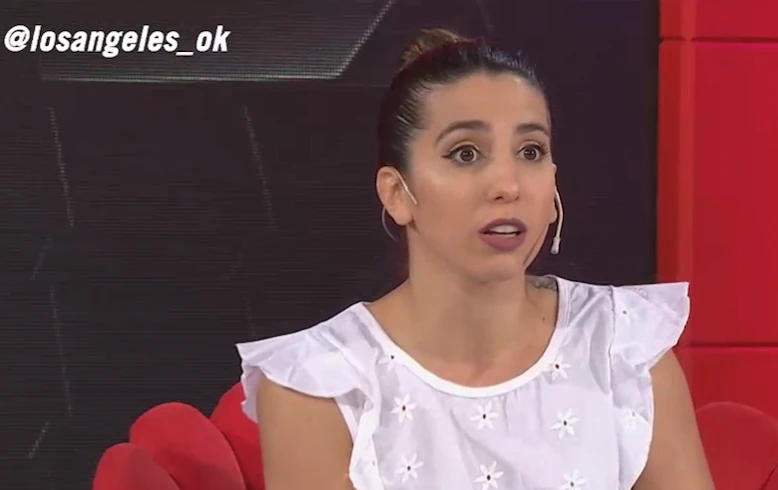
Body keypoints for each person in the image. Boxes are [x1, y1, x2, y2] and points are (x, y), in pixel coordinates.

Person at [236, 28, 713, 490]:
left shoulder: (623, 347)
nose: (508, 185)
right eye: (465, 154)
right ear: (397, 193)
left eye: (530, 151)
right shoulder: (320, 383)